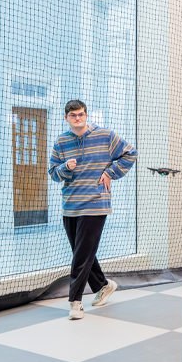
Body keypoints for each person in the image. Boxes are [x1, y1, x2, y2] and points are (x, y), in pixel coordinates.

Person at [49, 100, 137, 320]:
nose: (78, 118)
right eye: (73, 115)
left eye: (81, 114)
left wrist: (110, 173)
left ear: (86, 115)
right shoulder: (61, 142)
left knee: (81, 255)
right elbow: (52, 173)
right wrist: (64, 168)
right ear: (66, 118)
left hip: (96, 203)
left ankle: (75, 302)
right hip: (70, 205)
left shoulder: (106, 136)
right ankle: (103, 285)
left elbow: (130, 154)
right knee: (83, 251)